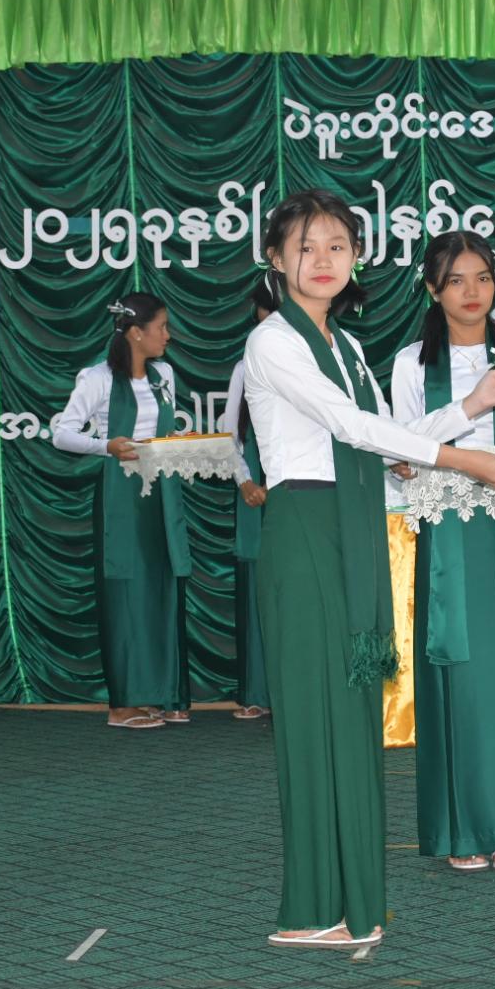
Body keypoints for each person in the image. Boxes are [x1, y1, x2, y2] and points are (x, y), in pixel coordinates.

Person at [244, 190, 495, 950]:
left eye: (338, 245)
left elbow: (388, 437)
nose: (323, 259)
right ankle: (310, 909)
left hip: (353, 528)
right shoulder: (273, 341)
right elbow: (349, 426)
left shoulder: (342, 344)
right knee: (315, 721)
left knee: (351, 720)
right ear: (275, 258)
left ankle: (348, 901)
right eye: (307, 246)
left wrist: (474, 403)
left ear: (357, 258)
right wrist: (464, 457)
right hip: (308, 531)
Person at [390, 231, 495, 873]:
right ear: (433, 289)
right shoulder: (411, 364)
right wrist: (471, 406)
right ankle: (463, 830)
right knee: (459, 676)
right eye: (455, 280)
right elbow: (399, 446)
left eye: (482, 277)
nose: (471, 291)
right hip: (450, 532)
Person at [53, 292, 192, 730]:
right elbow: (62, 433)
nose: (168, 336)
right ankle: (122, 704)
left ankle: (160, 692)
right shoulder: (96, 378)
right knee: (126, 593)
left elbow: (165, 431)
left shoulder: (164, 374)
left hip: (162, 491)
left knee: (163, 586)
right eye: (161, 327)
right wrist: (106, 447)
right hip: (121, 496)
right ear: (135, 333)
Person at [218, 287, 274, 720]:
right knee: (259, 585)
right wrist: (245, 481)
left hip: (304, 483)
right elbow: (230, 434)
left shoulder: (323, 359)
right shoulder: (245, 367)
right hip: (257, 483)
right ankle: (258, 691)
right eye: (263, 316)